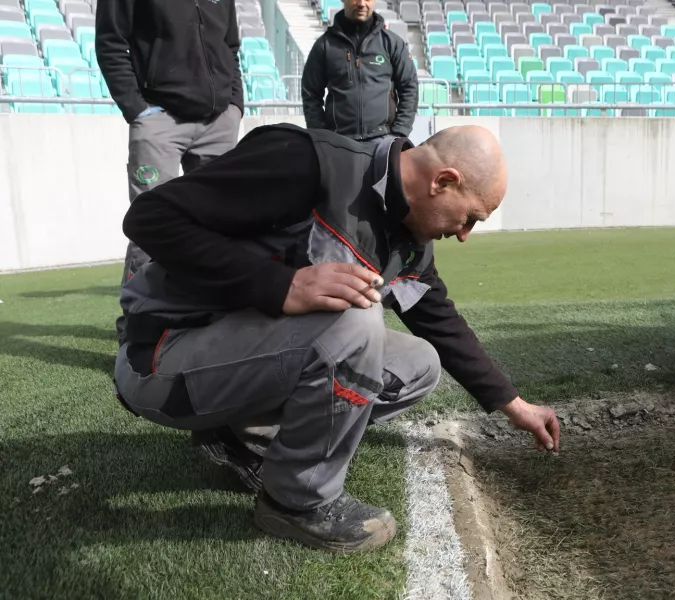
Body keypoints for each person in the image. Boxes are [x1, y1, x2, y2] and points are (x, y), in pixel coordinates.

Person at [112, 123, 561, 555]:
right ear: (443, 181)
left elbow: (439, 322)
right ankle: (296, 501)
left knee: (419, 364)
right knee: (354, 325)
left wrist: (515, 406)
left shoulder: (410, 242)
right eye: (470, 218)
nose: (464, 235)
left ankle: (242, 437)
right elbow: (151, 217)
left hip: (231, 364)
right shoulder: (308, 163)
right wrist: (279, 284)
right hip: (162, 359)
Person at [95, 0, 245, 343]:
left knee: (220, 228)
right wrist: (136, 108)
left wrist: (234, 104)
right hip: (160, 120)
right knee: (151, 228)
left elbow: (230, 46)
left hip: (219, 122)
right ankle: (138, 333)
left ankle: (210, 327)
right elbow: (111, 41)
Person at [300, 0, 418, 141]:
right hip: (339, 142)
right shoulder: (324, 46)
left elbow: (409, 87)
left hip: (383, 141)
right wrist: (320, 134)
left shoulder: (392, 43)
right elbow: (310, 92)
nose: (362, 4)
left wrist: (399, 132)